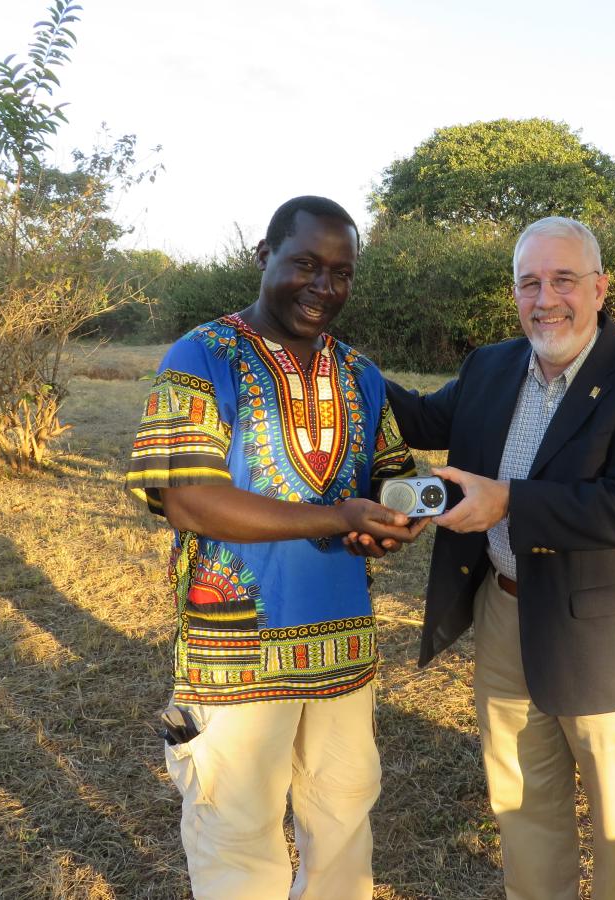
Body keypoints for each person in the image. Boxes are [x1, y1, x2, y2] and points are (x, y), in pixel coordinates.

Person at [374, 216, 615, 899]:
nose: (546, 299)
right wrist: (342, 363)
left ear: (600, 288)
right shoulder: (491, 365)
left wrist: (510, 503)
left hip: (605, 642)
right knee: (523, 812)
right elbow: (426, 419)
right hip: (505, 618)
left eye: (563, 280)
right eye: (529, 283)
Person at [126, 196, 426, 899]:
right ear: (264, 256)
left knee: (344, 820)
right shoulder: (202, 355)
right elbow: (188, 498)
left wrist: (394, 523)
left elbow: (388, 481)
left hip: (342, 644)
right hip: (235, 646)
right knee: (235, 835)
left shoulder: (361, 374)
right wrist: (333, 517)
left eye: (342, 273)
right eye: (306, 264)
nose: (325, 287)